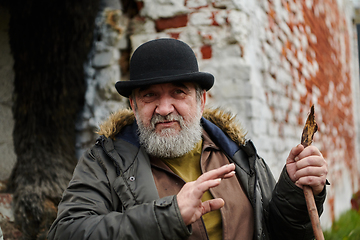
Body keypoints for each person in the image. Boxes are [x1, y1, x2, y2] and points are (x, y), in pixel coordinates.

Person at [48, 38, 328, 240]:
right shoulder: (105, 162)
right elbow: (67, 231)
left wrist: (293, 189)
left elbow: (281, 231)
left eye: (178, 92)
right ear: (133, 105)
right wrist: (168, 216)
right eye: (149, 96)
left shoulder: (238, 153)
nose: (164, 108)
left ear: (201, 100)